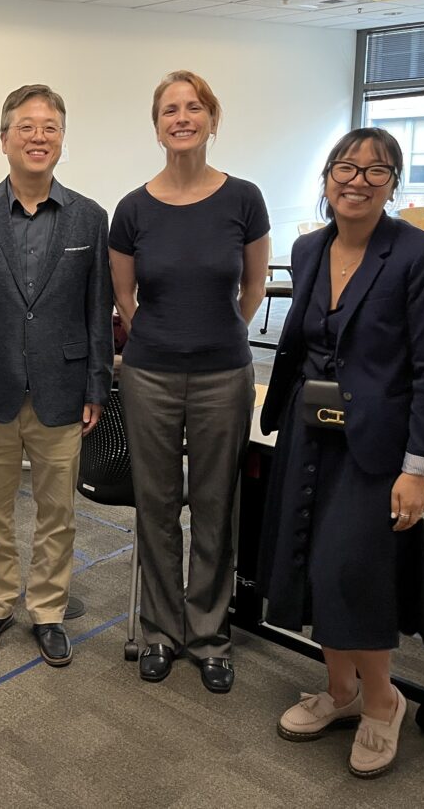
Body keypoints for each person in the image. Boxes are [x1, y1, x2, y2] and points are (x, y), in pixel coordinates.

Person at [258, 128, 424, 778]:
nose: (358, 179)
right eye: (346, 167)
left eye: (377, 171)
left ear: (393, 184)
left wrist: (418, 468)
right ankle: (340, 692)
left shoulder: (422, 255)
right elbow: (303, 343)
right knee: (309, 566)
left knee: (353, 572)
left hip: (375, 447)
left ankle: (382, 703)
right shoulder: (309, 248)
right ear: (326, 178)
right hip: (306, 435)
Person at [109, 70, 269, 695]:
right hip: (148, 374)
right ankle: (158, 632)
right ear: (157, 125)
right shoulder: (133, 208)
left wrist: (219, 331)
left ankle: (208, 636)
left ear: (211, 119)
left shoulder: (243, 199)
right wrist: (161, 337)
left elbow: (253, 286)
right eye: (171, 109)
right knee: (154, 505)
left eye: (194, 107)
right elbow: (125, 297)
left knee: (214, 506)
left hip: (224, 374)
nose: (183, 117)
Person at [0, 84, 112, 667]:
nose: (38, 137)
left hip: (62, 389)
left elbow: (97, 310)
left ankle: (47, 609)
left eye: (50, 127)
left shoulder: (91, 217)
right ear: (4, 138)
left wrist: (98, 386)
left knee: (56, 512)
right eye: (26, 126)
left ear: (62, 141)